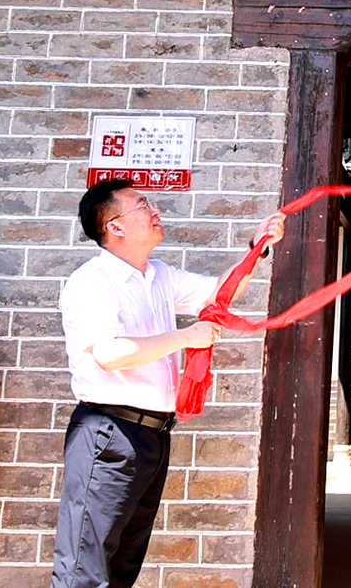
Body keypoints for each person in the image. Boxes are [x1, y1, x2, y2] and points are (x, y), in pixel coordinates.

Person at [51, 179, 286, 588]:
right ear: (115, 226)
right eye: (142, 205)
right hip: (108, 433)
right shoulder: (91, 282)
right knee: (86, 566)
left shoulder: (158, 275)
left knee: (123, 561)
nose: (154, 211)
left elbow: (218, 293)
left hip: (153, 436)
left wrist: (258, 247)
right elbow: (108, 354)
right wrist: (185, 336)